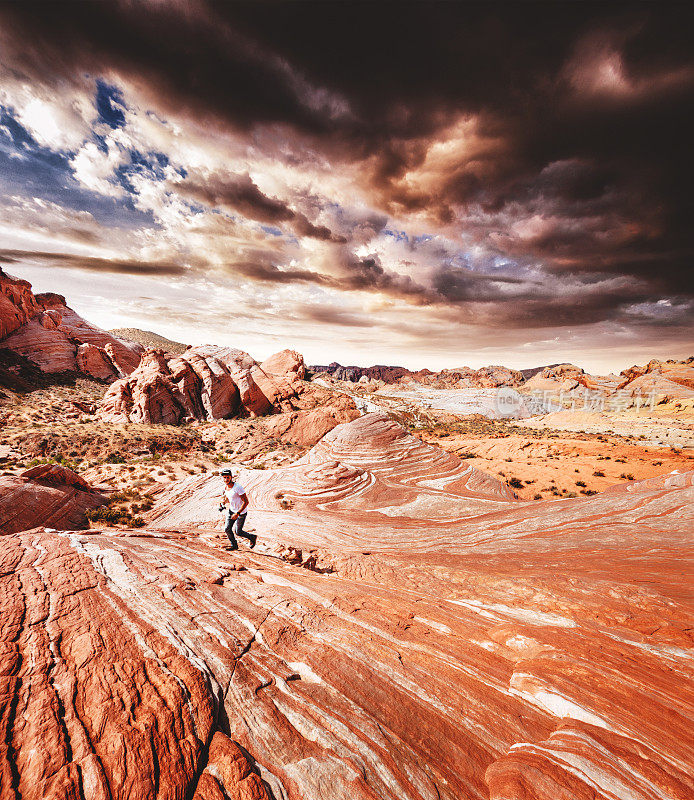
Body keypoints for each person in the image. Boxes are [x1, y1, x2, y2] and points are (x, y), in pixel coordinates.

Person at [219, 468, 256, 550]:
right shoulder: (225, 488)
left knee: (238, 532)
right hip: (231, 511)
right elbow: (230, 499)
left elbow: (246, 502)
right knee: (227, 529)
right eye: (224, 477)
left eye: (228, 477)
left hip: (241, 513)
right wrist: (222, 504)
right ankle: (234, 545)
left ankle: (252, 537)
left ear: (231, 477)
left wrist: (238, 513)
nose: (226, 479)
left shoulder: (238, 487)